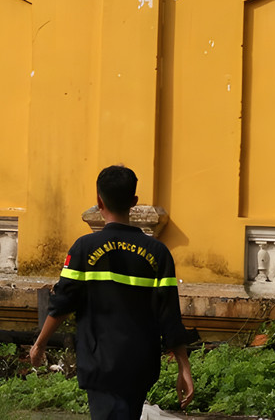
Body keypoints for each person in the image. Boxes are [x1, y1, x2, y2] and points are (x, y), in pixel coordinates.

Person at [29, 165, 196, 420]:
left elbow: (62, 303)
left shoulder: (84, 248)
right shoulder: (158, 253)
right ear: (134, 202)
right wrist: (184, 367)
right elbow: (169, 314)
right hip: (140, 363)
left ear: (99, 201)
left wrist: (39, 344)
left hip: (100, 362)